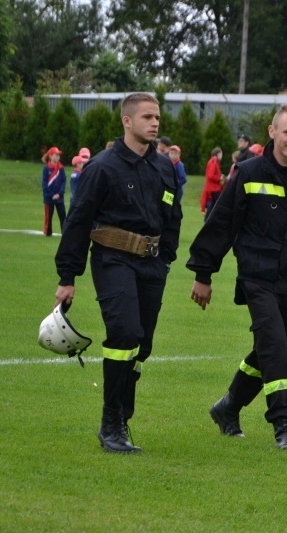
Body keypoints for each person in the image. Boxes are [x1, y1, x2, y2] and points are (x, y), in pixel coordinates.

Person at [186, 104, 287, 450]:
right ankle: (284, 426)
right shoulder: (249, 173)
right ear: (272, 131)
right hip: (258, 278)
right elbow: (221, 224)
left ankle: (228, 407)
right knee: (275, 348)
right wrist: (203, 274)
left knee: (269, 350)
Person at [53, 92, 182, 454]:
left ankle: (122, 410)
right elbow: (78, 222)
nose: (155, 123)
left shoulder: (163, 167)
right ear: (127, 121)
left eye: (157, 117)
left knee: (143, 345)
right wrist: (68, 277)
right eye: (146, 117)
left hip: (153, 265)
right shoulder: (102, 167)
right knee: (124, 333)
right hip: (113, 260)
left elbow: (173, 215)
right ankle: (111, 423)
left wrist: (166, 257)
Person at [41, 146, 66, 236]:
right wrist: (51, 194)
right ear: (50, 156)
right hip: (49, 197)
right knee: (49, 216)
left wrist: (59, 193)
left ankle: (65, 232)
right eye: (56, 155)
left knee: (62, 215)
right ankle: (48, 232)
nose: (58, 157)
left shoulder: (61, 168)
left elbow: (64, 181)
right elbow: (44, 183)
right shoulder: (46, 169)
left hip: (59, 197)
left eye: (58, 155)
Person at [200, 147, 223, 222]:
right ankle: (208, 220)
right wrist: (219, 178)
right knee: (215, 205)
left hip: (213, 188)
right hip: (214, 188)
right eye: (221, 154)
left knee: (213, 205)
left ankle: (209, 220)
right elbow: (210, 175)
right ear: (218, 154)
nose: (222, 156)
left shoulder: (214, 161)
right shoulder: (213, 162)